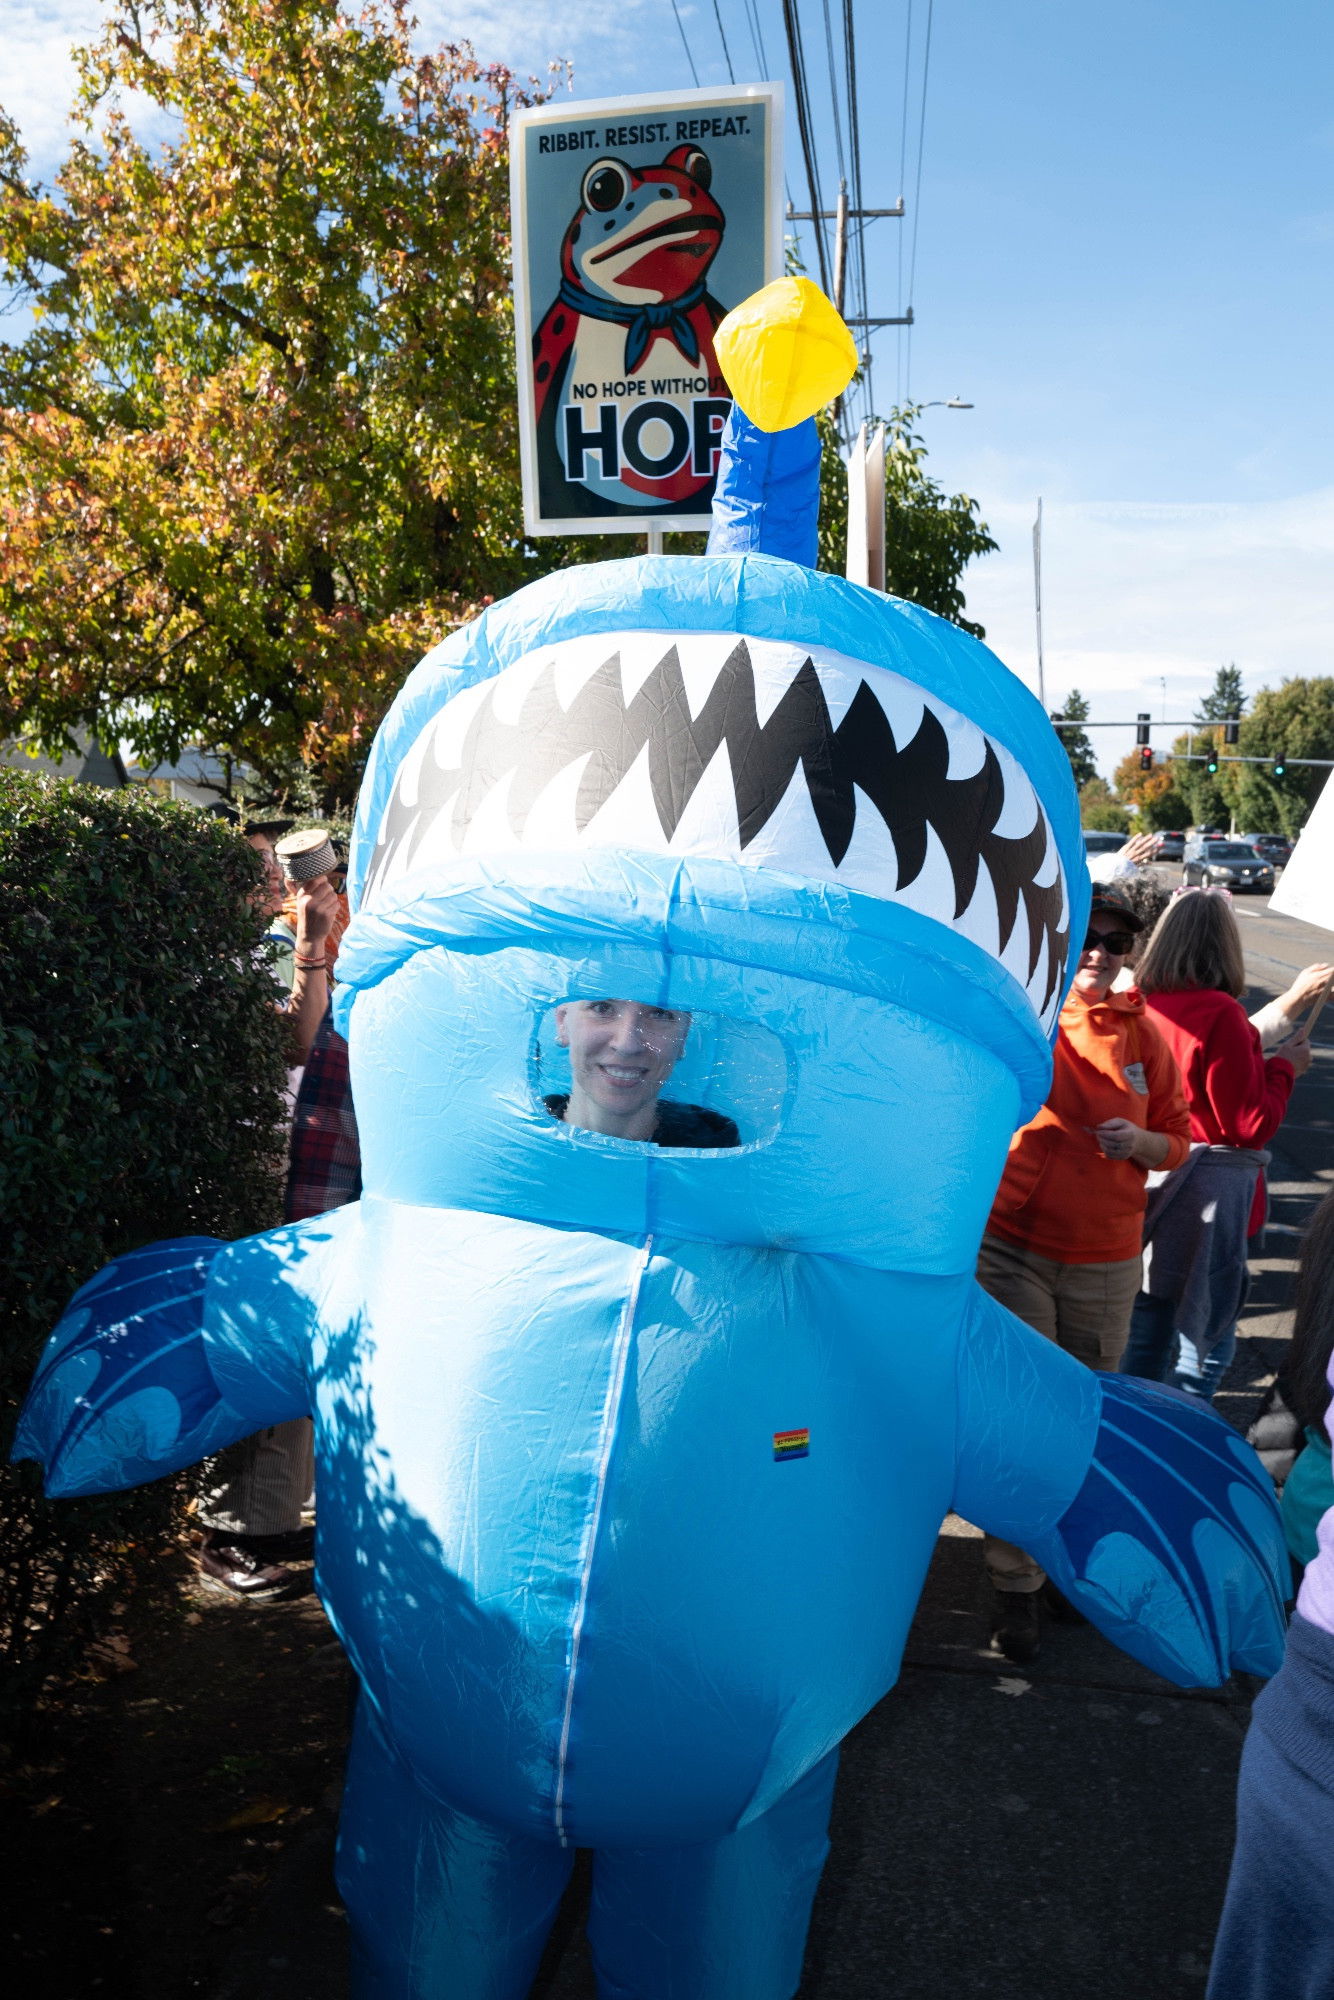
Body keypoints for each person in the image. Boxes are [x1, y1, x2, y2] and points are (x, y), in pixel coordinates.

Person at [977, 888, 1192, 1662]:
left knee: (1086, 1422)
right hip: (1014, 1246)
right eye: (1089, 939)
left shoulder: (1150, 1036)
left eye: (1118, 941)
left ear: (1134, 951)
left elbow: (1180, 1139)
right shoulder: (1033, 1016)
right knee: (1031, 1416)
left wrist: (1141, 1140)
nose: (1101, 952)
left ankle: (1067, 1569)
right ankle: (1015, 1586)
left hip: (1105, 1259)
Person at [1120, 889, 1312, 1400]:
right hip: (1207, 1193)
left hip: (1152, 1176)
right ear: (1226, 945)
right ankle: (1183, 1433)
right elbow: (1247, 1125)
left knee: (1148, 1322)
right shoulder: (1222, 1014)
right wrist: (1284, 1070)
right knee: (1205, 1338)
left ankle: (1131, 1431)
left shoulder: (1139, 1004)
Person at [546, 999, 739, 1148]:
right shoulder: (520, 1132)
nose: (627, 1045)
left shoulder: (716, 1150)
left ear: (683, 1036)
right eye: (602, 1008)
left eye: (660, 1013)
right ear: (563, 1022)